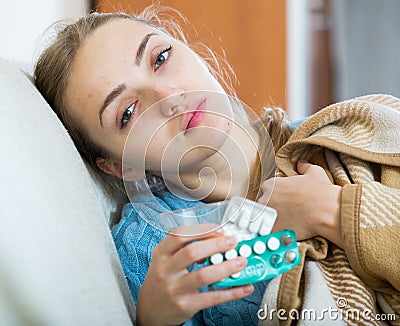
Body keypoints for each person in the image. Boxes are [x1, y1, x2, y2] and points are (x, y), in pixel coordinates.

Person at [34, 5, 400, 325]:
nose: (170, 98)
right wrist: (154, 321)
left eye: (160, 59)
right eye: (128, 112)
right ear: (116, 165)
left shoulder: (348, 132)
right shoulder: (156, 254)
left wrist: (334, 210)